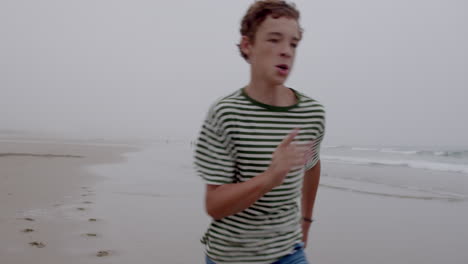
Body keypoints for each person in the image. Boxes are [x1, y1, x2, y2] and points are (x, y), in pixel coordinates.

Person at [194, 1, 325, 263]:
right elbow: (215, 205)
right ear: (247, 46)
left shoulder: (312, 114)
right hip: (231, 256)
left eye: (293, 44)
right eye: (274, 40)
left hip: (289, 252)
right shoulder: (225, 114)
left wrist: (306, 221)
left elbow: (312, 165)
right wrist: (270, 177)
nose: (286, 51)